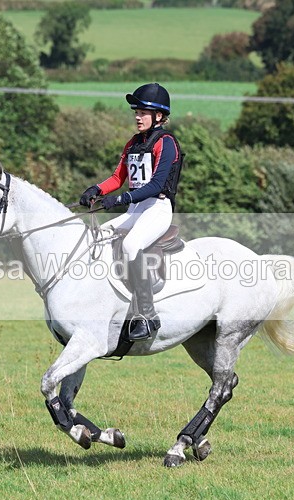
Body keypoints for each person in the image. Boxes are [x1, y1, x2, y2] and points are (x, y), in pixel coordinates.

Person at [78, 82, 183, 342]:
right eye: (136, 111)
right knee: (97, 236)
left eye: (143, 112)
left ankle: (147, 315)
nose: (137, 116)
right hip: (136, 208)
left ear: (159, 116)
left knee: (132, 245)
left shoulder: (166, 143)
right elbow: (117, 177)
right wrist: (97, 190)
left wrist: (122, 198)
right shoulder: (133, 143)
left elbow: (157, 185)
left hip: (157, 209)